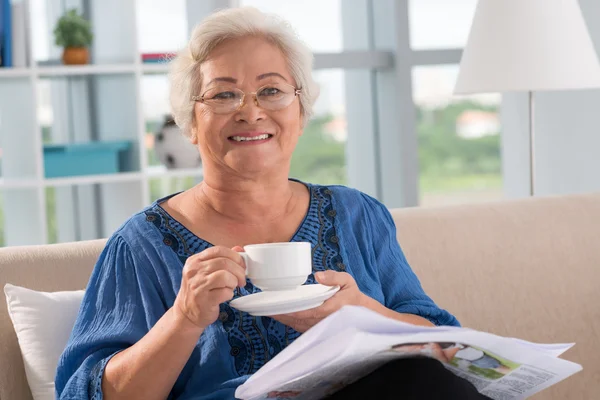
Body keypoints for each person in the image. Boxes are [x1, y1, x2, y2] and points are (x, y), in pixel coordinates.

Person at [55, 6, 481, 400]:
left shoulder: (357, 215)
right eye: (224, 95)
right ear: (189, 122)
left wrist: (360, 311)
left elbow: (443, 341)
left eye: (271, 90)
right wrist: (184, 317)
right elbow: (87, 393)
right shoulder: (142, 243)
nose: (251, 111)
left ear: (300, 112)